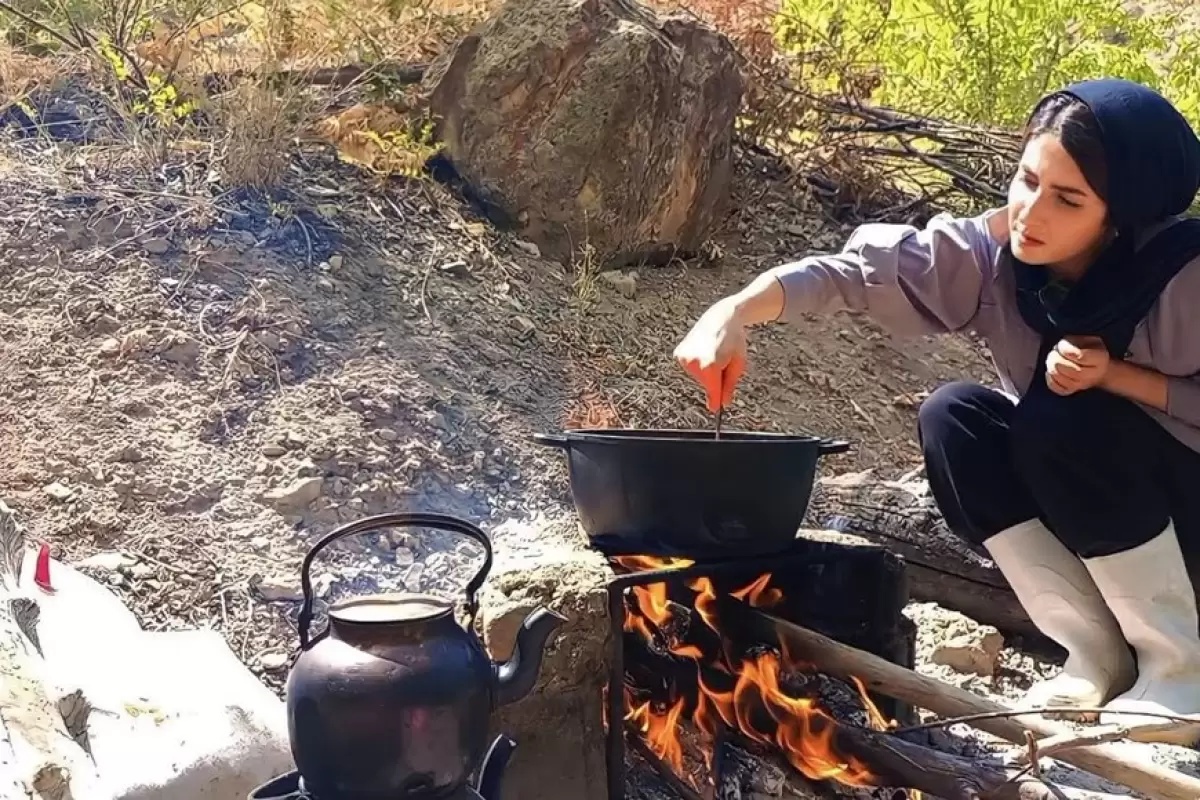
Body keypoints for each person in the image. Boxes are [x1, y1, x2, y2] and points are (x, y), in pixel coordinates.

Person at [674, 78, 1200, 742]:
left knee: (1063, 414)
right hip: (1107, 496)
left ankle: (1179, 669)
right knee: (955, 419)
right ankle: (1098, 651)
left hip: (1186, 506)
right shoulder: (998, 255)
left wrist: (1122, 378)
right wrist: (737, 310)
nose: (1032, 213)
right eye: (1027, 180)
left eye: (1068, 199)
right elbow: (858, 275)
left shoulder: (1185, 277)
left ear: (1118, 215)